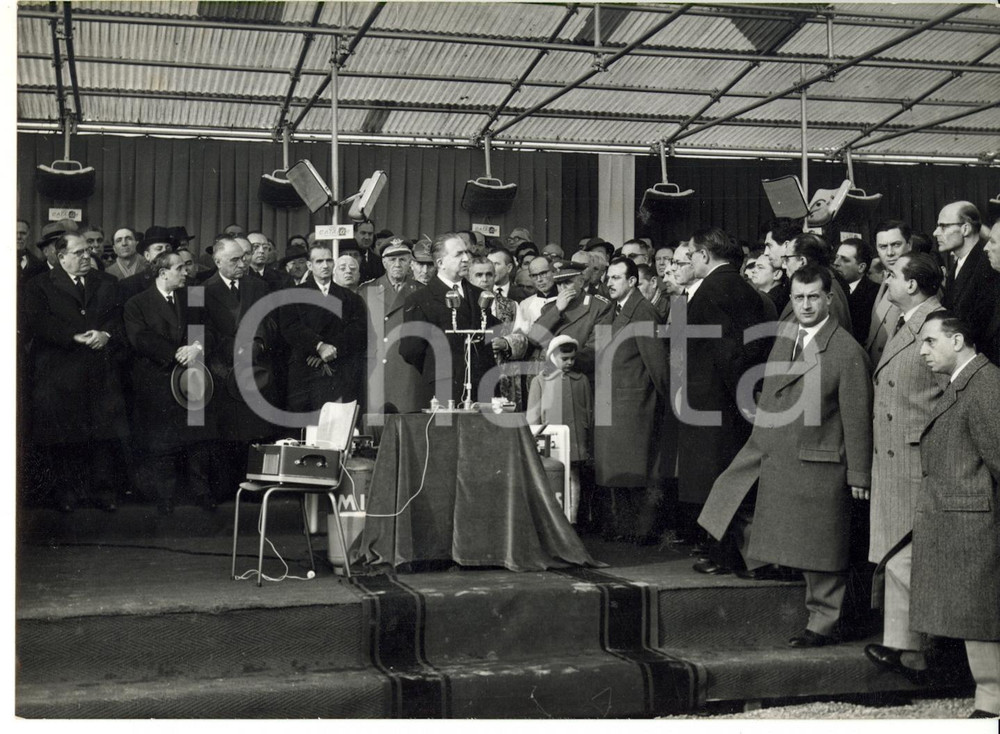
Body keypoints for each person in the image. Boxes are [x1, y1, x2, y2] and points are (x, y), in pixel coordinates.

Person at [698, 265, 873, 647]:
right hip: (775, 449)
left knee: (820, 551)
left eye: (814, 297)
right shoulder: (786, 338)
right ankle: (809, 609)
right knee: (730, 506)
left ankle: (824, 623)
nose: (806, 305)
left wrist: (859, 473)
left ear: (829, 299)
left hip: (819, 463)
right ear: (790, 299)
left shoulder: (846, 351)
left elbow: (858, 419)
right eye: (799, 297)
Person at [909, 312, 1000, 718]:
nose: (922, 350)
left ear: (958, 340)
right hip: (963, 519)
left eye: (930, 341)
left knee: (980, 616)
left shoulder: (984, 386)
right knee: (974, 614)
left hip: (976, 522)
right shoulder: (969, 382)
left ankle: (991, 705)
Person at [861, 253, 946, 684]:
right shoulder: (909, 322)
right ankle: (903, 645)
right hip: (897, 458)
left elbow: (953, 393)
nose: (886, 280)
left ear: (913, 285)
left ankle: (915, 652)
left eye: (892, 274)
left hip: (916, 459)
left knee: (907, 558)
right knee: (897, 557)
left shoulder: (936, 326)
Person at [674, 227, 773, 554]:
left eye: (691, 255)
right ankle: (724, 552)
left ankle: (723, 555)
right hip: (733, 399)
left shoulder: (711, 290)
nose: (690, 260)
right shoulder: (744, 289)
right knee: (728, 478)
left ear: (704, 255)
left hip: (714, 402)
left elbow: (725, 353)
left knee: (717, 481)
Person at [22, 233, 130, 512]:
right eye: (80, 252)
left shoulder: (107, 282)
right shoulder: (38, 285)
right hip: (60, 372)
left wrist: (106, 334)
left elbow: (119, 319)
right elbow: (37, 322)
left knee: (103, 436)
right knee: (63, 438)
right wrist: (73, 336)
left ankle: (103, 492)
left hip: (100, 370)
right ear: (62, 257)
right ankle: (66, 493)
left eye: (89, 251)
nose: (87, 256)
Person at [123, 251, 216, 514]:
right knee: (161, 442)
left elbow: (207, 329)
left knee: (199, 439)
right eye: (180, 268)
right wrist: (178, 353)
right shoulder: (136, 303)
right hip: (157, 380)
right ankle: (165, 497)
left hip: (192, 378)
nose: (186, 272)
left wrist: (196, 346)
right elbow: (140, 338)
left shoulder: (194, 295)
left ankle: (202, 493)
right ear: (163, 272)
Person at [592, 257, 670, 542]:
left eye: (615, 278)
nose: (609, 282)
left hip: (634, 406)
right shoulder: (617, 309)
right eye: (608, 278)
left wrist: (664, 405)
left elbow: (658, 365)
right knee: (622, 474)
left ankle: (640, 534)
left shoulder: (643, 311)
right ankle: (627, 531)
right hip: (617, 404)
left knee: (636, 474)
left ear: (633, 281)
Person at [201, 237, 277, 494]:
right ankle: (226, 489)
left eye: (243, 258)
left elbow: (269, 321)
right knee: (225, 435)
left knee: (254, 433)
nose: (242, 263)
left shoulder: (259, 286)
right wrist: (234, 348)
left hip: (255, 367)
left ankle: (254, 490)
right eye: (234, 260)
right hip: (223, 371)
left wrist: (257, 343)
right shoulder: (199, 289)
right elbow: (201, 331)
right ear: (217, 261)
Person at [399, 233, 501, 406]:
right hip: (444, 388)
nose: (466, 258)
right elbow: (411, 349)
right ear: (440, 263)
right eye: (458, 254)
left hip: (483, 387)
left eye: (467, 253)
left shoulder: (480, 295)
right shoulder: (420, 299)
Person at [281, 243, 368, 412]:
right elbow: (290, 328)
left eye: (329, 260)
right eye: (319, 261)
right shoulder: (292, 295)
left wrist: (330, 348)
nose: (325, 265)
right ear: (309, 265)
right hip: (305, 370)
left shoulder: (351, 298)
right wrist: (318, 346)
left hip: (339, 371)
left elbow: (357, 331)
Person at [526, 335, 592, 524]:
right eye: (565, 359)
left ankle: (572, 520)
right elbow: (533, 417)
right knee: (551, 479)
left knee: (573, 479)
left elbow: (588, 413)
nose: (570, 362)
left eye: (572, 358)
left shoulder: (582, 381)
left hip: (575, 439)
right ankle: (552, 522)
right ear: (552, 357)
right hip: (550, 442)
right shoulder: (540, 382)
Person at [361, 239, 427, 414]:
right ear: (383, 262)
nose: (397, 264)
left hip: (408, 369)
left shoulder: (422, 292)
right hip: (376, 369)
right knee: (376, 428)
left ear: (410, 263)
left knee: (407, 425)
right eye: (392, 259)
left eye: (403, 259)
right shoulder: (367, 290)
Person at [937, 201, 1000, 362]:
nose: (936, 232)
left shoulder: (989, 266)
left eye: (943, 226)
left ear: (965, 228)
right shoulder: (958, 265)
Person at [778, 232, 852, 333]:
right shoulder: (822, 285)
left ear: (802, 261)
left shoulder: (824, 292)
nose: (783, 266)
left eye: (787, 259)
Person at [866, 220, 913, 365]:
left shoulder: (918, 281)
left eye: (896, 245)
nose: (890, 253)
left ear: (909, 244)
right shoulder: (887, 277)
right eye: (883, 246)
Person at [834, 238, 880, 343]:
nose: (836, 263)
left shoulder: (875, 294)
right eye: (836, 257)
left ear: (861, 267)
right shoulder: (831, 288)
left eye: (844, 260)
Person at [119, 226, 176, 301]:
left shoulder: (193, 284)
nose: (165, 252)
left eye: (168, 248)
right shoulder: (129, 285)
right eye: (159, 249)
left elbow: (196, 311)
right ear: (147, 255)